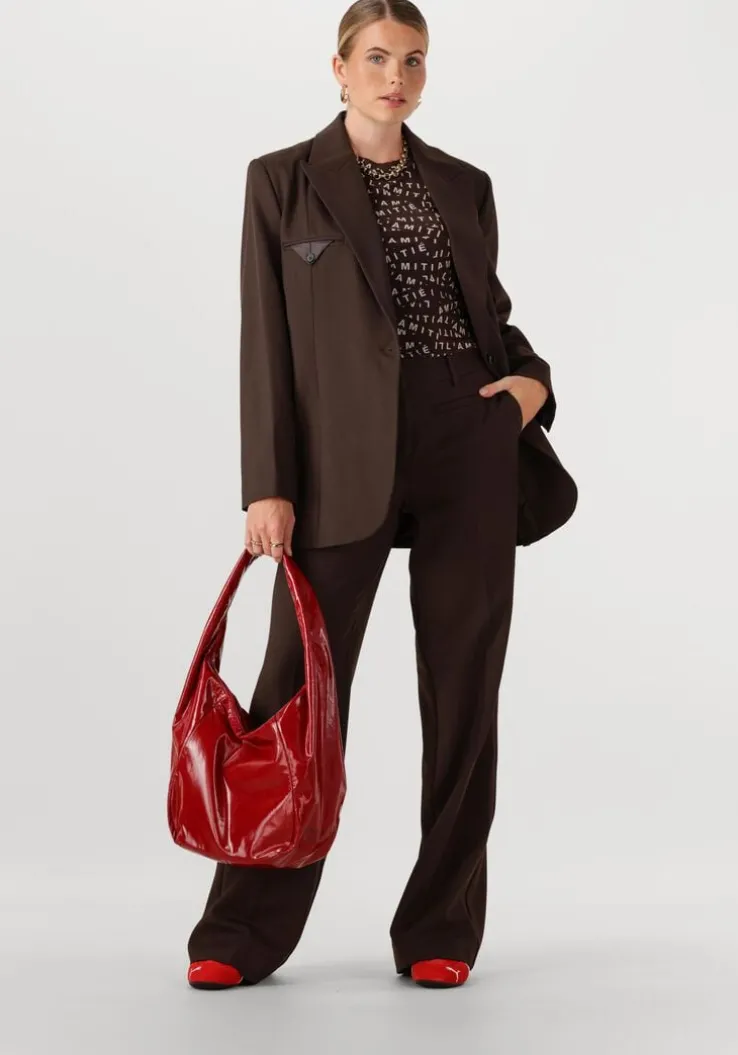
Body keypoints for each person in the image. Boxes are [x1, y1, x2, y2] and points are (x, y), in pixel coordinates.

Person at [186, 0, 577, 991]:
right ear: (338, 67)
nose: (394, 76)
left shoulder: (464, 185)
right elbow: (266, 340)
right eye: (375, 58)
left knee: (465, 687)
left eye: (412, 60)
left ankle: (442, 922)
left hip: (465, 436)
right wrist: (268, 483)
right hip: (337, 456)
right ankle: (242, 929)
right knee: (297, 687)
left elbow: (489, 318)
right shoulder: (281, 180)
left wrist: (530, 389)